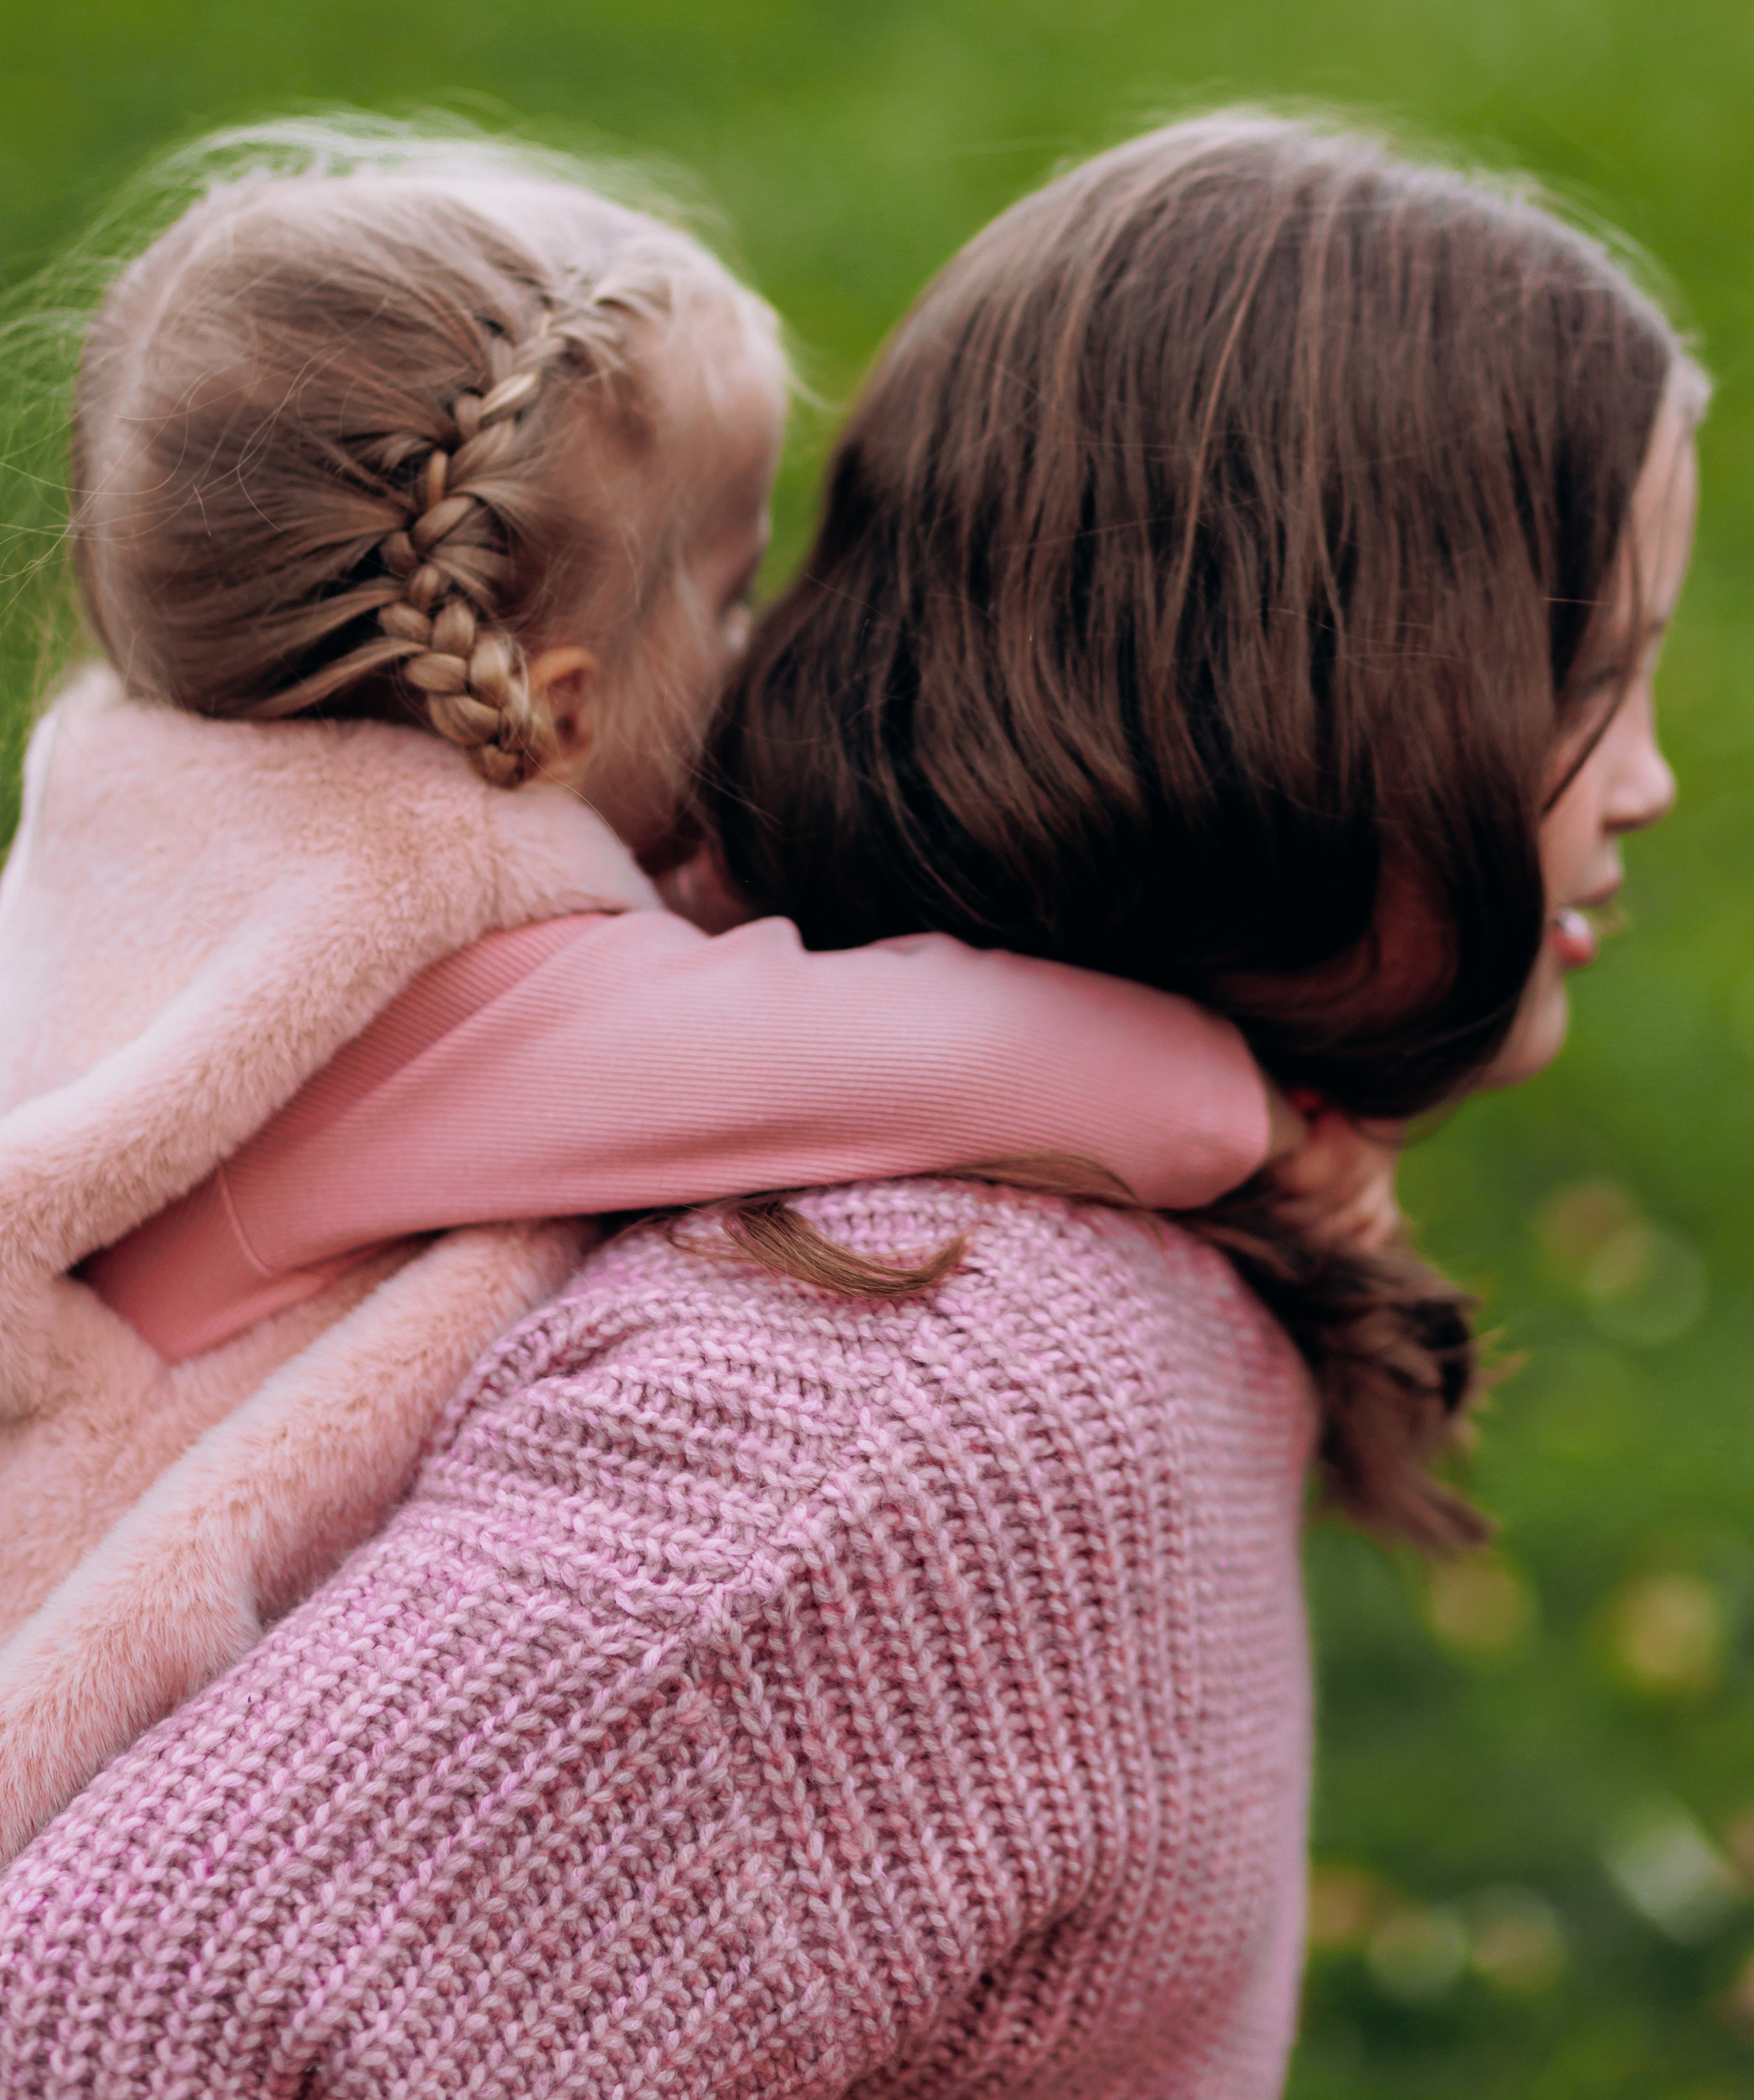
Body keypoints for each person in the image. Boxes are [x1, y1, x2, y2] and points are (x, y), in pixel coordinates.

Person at [0, 112, 1699, 2099]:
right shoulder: (891, 1435)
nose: (1652, 780)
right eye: (1599, 676)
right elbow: (135, 2014)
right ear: (1320, 690)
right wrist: (1236, 1108)